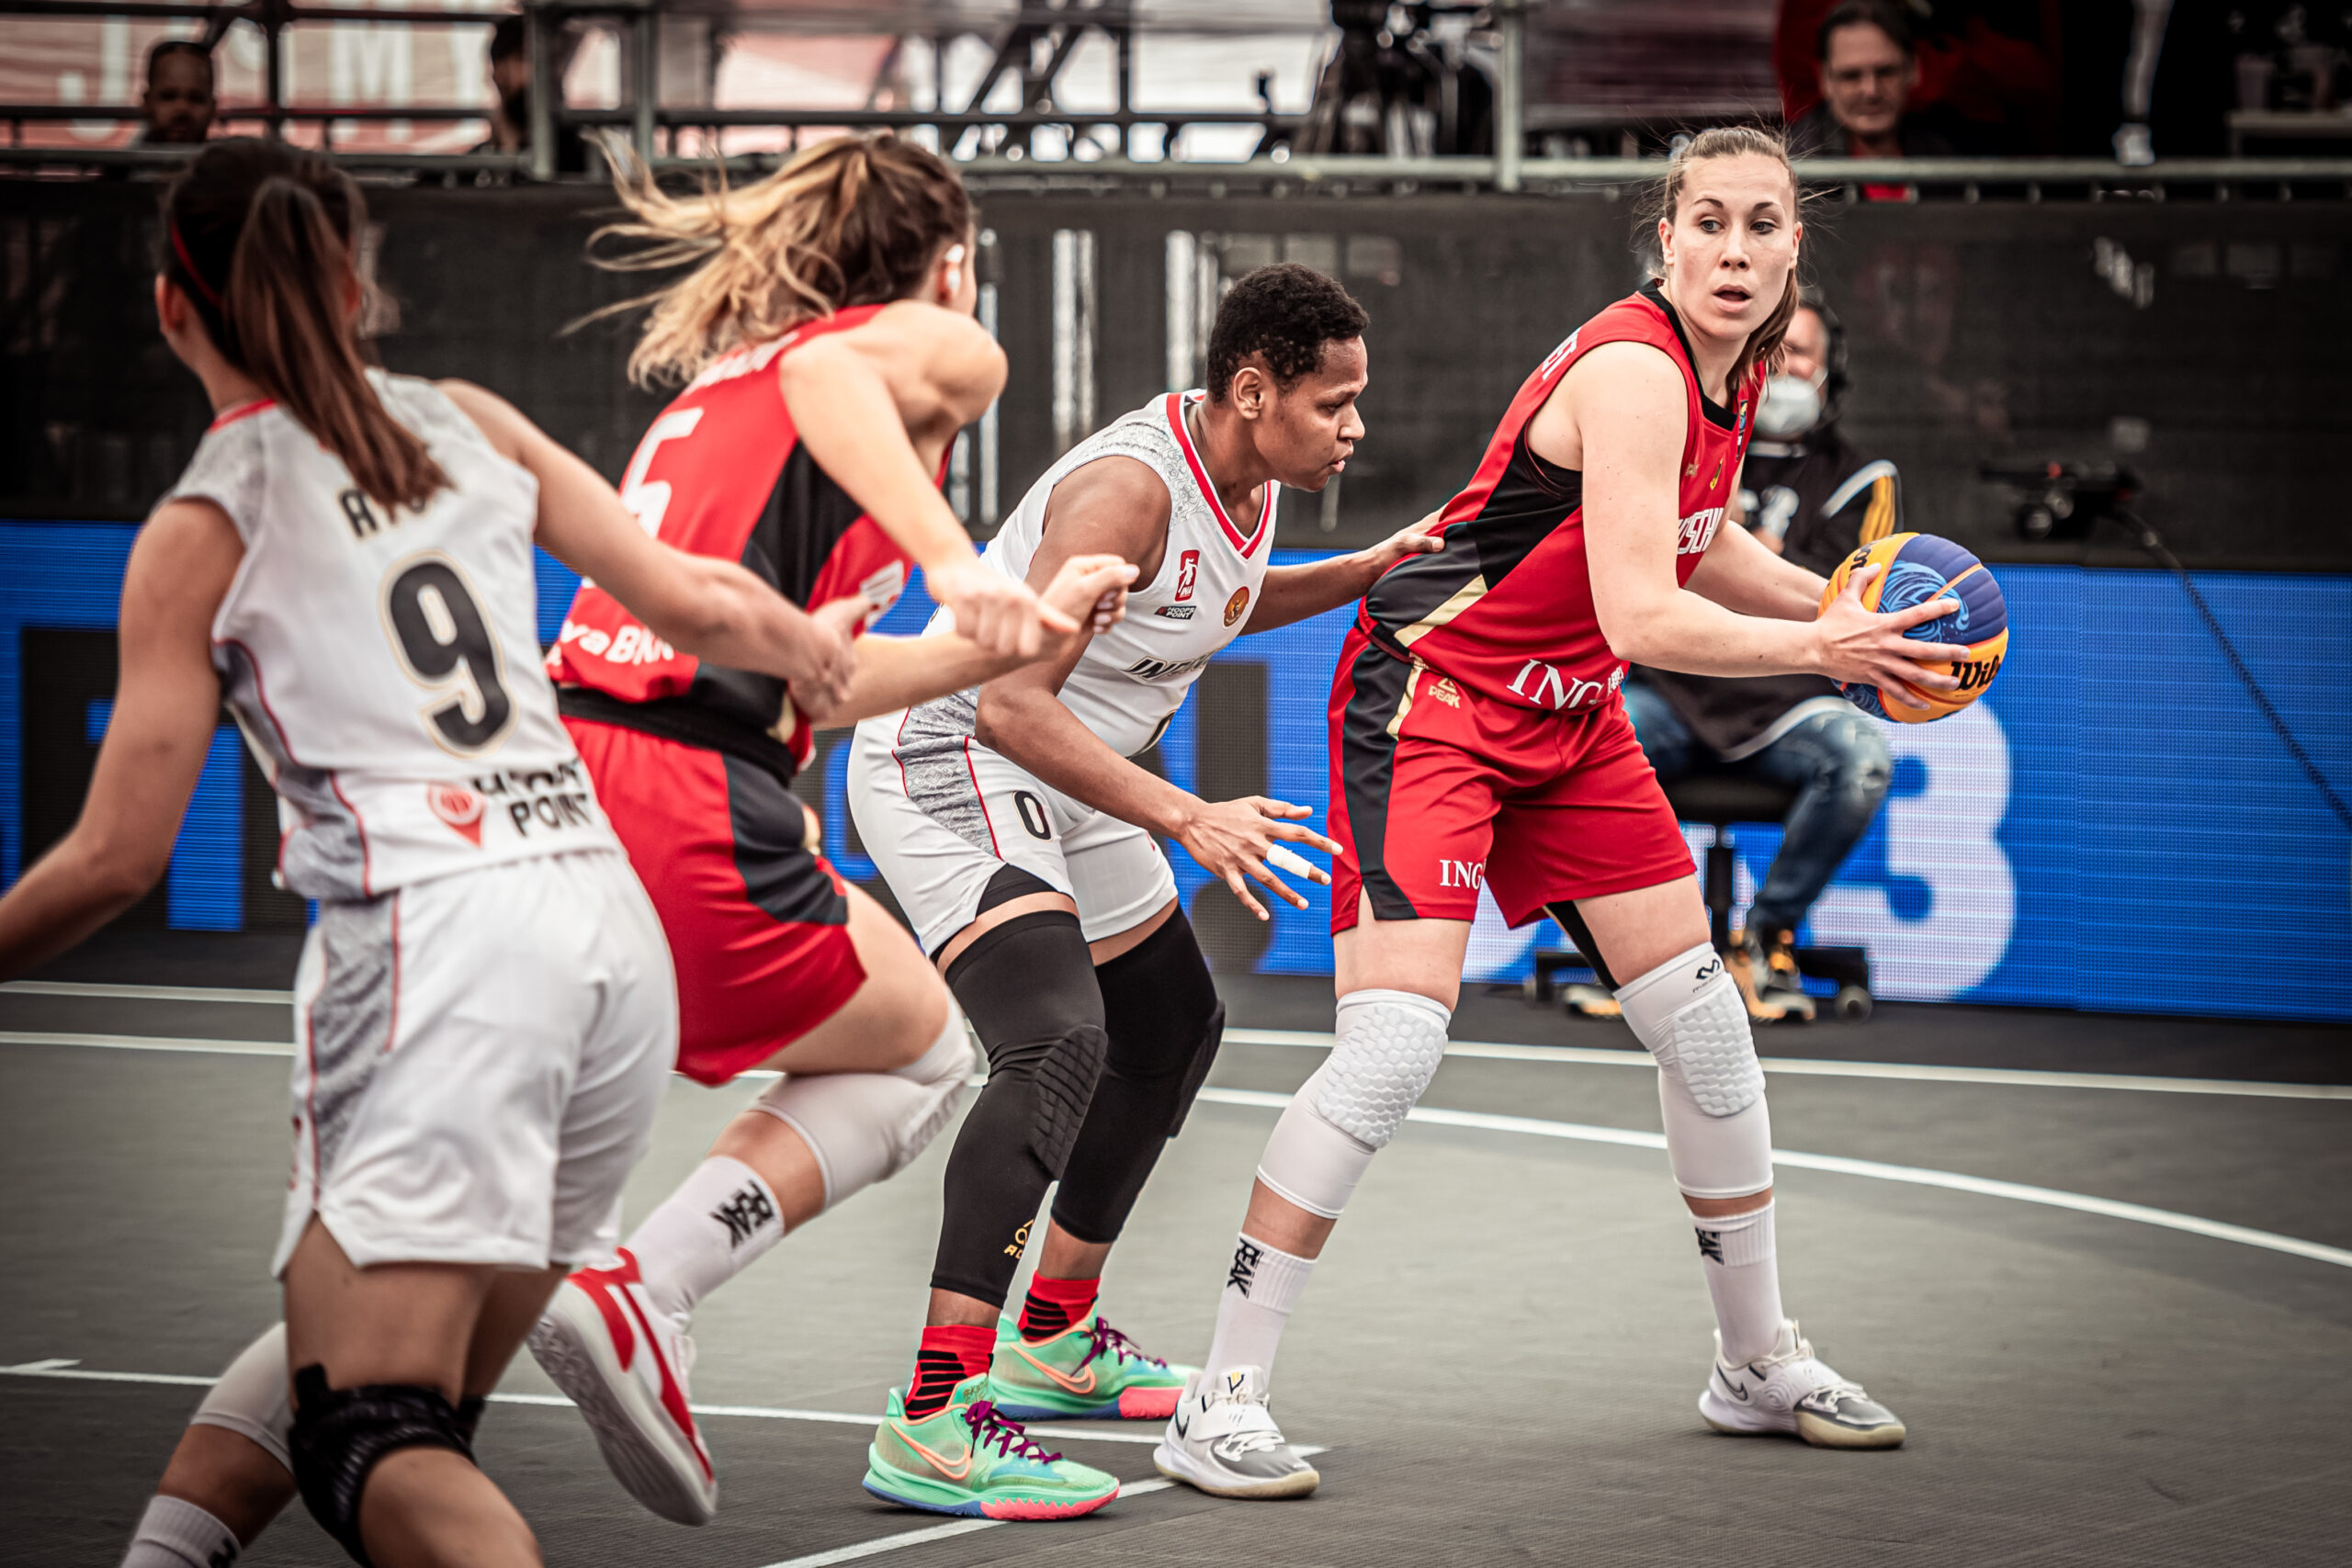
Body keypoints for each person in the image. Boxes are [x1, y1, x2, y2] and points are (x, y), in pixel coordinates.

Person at [110, 132, 1136, 1550]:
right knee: (922, 1044)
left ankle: (174, 1537)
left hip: (580, 783)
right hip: (675, 800)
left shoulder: (723, 396)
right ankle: (649, 1283)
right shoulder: (907, 354)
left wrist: (1011, 636)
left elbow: (810, 676)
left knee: (389, 1317)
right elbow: (836, 378)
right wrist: (961, 566)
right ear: (948, 260)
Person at [17, 137, 863, 1568]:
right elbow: (689, 597)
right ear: (358, 287)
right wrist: (807, 646)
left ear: (170, 308)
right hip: (607, 939)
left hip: (442, 947)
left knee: (367, 1429)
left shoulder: (209, 519)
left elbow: (115, 854)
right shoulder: (466, 420)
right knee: (395, 1413)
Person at [1155, 126, 1972, 1500]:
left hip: (1568, 716)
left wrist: (1849, 613)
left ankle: (1754, 1360)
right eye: (1706, 223)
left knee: (1705, 1027)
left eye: (1759, 226)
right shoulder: (1638, 369)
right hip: (1435, 696)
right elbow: (1644, 611)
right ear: (1666, 239)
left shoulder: (1736, 368)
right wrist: (1827, 650)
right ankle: (1219, 1393)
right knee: (1391, 1047)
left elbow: (1701, 536)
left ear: (1793, 246)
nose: (1732, 250)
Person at [844, 261, 1442, 1519]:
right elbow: (1009, 704)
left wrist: (1367, 566)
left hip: (1062, 764)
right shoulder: (1127, 490)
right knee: (1057, 1041)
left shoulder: (1250, 480)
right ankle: (935, 1415)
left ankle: (1054, 1336)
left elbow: (1220, 601)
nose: (1354, 426)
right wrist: (1184, 813)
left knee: (1168, 1026)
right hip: (953, 751)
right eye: (1334, 403)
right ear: (1252, 391)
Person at [1615, 292, 1896, 1023]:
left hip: (1789, 702)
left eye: (1801, 353)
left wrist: (1743, 542)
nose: (1785, 368)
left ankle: (1766, 932)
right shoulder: (1687, 444)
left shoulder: (1864, 476)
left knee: (1862, 759)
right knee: (1590, 740)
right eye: (1773, 353)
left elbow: (1847, 596)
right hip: (1676, 690)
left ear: (1831, 371)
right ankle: (1643, 950)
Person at [1784, 1, 1956, 161]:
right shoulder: (1794, 166)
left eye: (1885, 72)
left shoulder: (1951, 152)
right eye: (1851, 76)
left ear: (1914, 69)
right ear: (1824, 78)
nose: (1871, 91)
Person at [471, 13, 589, 175]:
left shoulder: (585, 158)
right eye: (527, 58)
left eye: (553, 59)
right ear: (499, 73)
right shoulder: (476, 168)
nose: (545, 70)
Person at [136, 39, 216, 146]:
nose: (182, 108)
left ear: (213, 108)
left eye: (196, 98)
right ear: (146, 102)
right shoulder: (118, 156)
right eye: (168, 96)